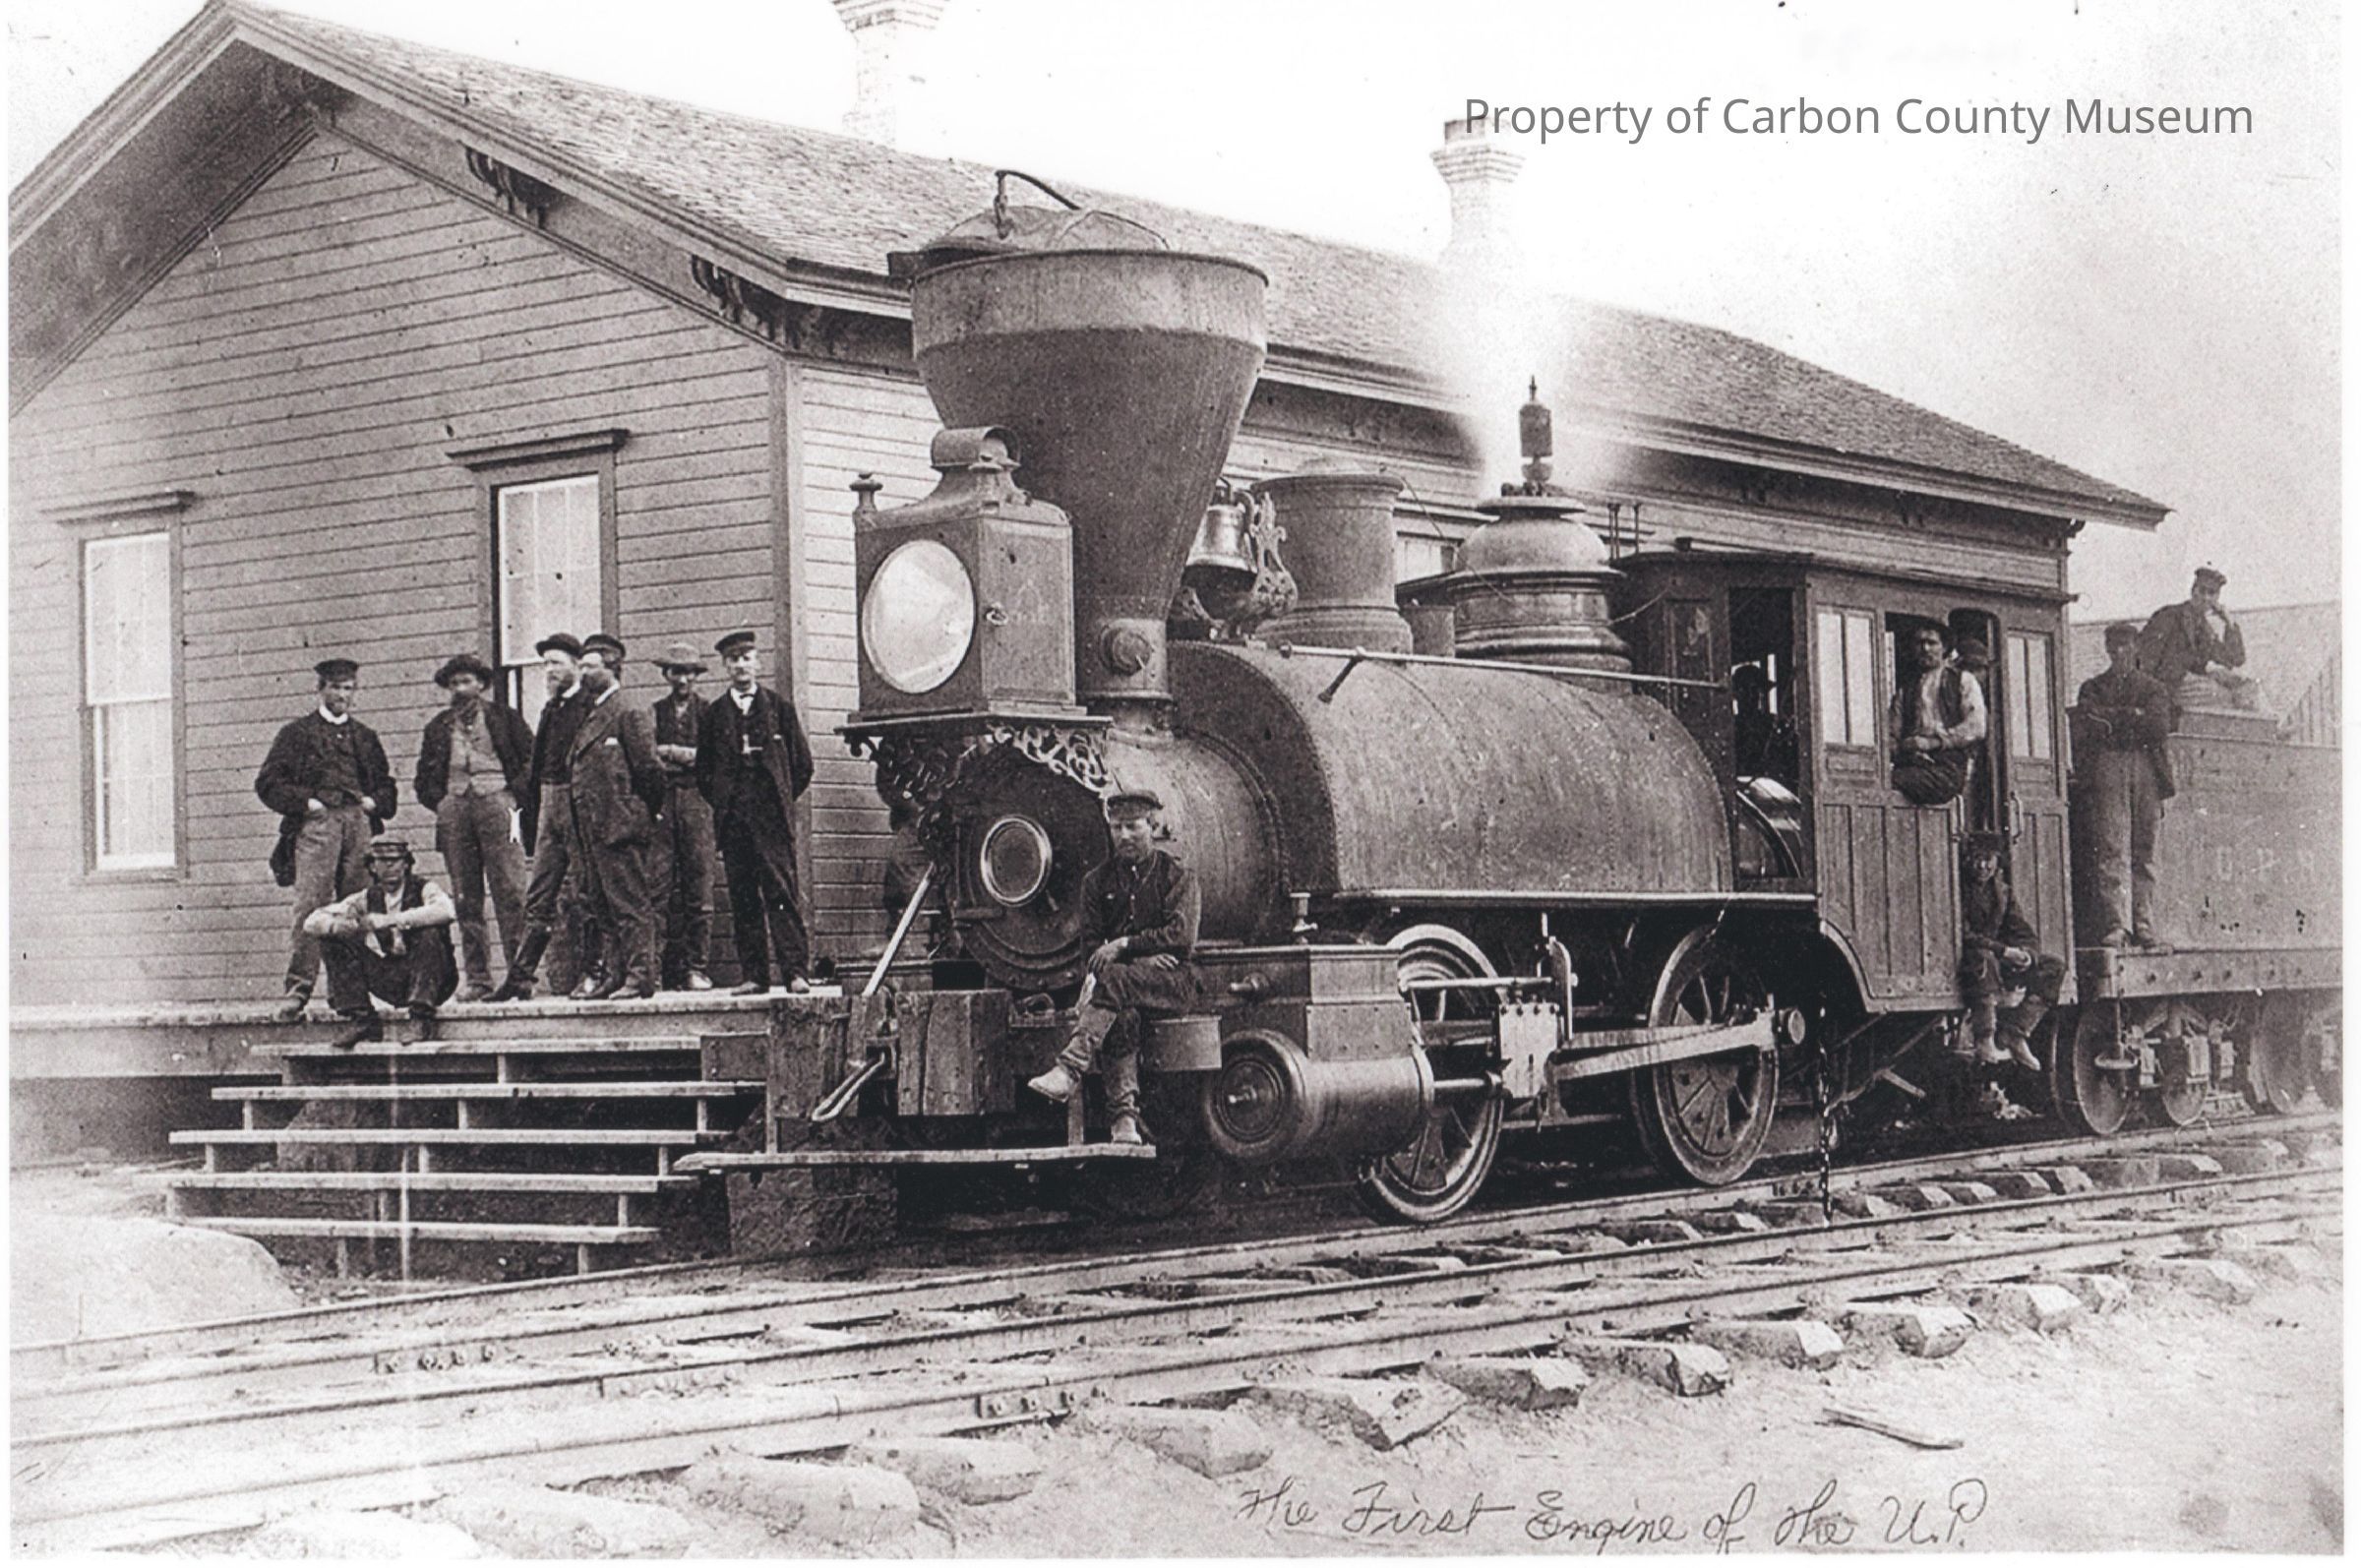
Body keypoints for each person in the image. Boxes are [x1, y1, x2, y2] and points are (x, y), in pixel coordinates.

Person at [1025, 787, 1200, 1146]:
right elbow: (1092, 951)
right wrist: (1141, 959)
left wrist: (1124, 945)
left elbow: (1181, 937)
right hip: (1120, 990)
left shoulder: (1178, 876)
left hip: (1173, 983)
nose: (1124, 835)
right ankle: (1124, 1122)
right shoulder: (1096, 882)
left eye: (1134, 826)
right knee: (1122, 1014)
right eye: (1117, 827)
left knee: (1116, 978)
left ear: (1153, 826)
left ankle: (1069, 1068)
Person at [257, 657, 396, 1020]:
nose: (342, 695)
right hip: (317, 826)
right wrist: (307, 803)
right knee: (311, 906)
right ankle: (298, 990)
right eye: (335, 687)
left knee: (354, 907)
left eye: (348, 688)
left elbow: (386, 786)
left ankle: (346, 994)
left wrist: (373, 802)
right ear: (320, 690)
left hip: (358, 827)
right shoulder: (297, 734)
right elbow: (269, 783)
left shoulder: (365, 737)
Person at [696, 630, 816, 995]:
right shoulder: (715, 715)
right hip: (734, 820)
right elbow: (704, 771)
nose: (740, 665)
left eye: (746, 658)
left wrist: (778, 798)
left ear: (757, 662)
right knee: (743, 896)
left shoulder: (780, 709)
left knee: (781, 893)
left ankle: (795, 972)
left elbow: (802, 766)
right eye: (733, 660)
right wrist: (727, 801)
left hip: (771, 819)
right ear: (725, 666)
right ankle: (754, 976)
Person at [413, 653, 533, 1000]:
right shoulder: (438, 726)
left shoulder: (505, 718)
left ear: (481, 684)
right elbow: (424, 777)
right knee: (466, 897)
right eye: (454, 684)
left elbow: (530, 762)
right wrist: (442, 802)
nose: (460, 689)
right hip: (455, 810)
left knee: (512, 890)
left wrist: (512, 795)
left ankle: (520, 976)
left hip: (502, 808)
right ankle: (478, 979)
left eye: (466, 681)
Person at [555, 634, 666, 999]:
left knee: (629, 903)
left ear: (612, 668)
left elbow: (650, 771)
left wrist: (638, 814)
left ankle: (640, 976)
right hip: (593, 828)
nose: (583, 673)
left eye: (590, 667)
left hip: (619, 826)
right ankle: (616, 976)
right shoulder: (594, 712)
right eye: (582, 667)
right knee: (602, 904)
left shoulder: (628, 710)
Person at [489, 633, 589, 1002]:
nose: (548, 670)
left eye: (556, 663)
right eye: (545, 663)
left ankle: (592, 973)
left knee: (586, 893)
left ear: (577, 666)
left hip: (577, 802)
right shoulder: (551, 709)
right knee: (539, 895)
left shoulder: (589, 706)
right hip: (549, 804)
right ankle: (521, 977)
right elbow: (537, 768)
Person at [2073, 622, 2179, 951]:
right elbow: (2089, 722)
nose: (2120, 652)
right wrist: (2133, 715)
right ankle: (2117, 925)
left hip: (2146, 766)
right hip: (2107, 764)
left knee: (2144, 848)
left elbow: (2157, 726)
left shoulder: (2153, 688)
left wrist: (2114, 719)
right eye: (2114, 646)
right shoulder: (2093, 687)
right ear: (2107, 650)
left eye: (2126, 645)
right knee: (2112, 846)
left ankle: (2144, 924)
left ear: (2136, 649)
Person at [301, 833, 458, 1049]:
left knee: (429, 933)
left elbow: (446, 911)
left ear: (406, 864)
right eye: (382, 861)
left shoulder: (424, 888)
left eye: (395, 861)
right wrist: (338, 926)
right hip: (395, 978)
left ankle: (421, 1019)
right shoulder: (368, 897)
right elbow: (312, 921)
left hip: (436, 980)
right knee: (333, 942)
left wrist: (391, 920)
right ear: (372, 867)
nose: (389, 867)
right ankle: (362, 1019)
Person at [1957, 831, 2066, 1071]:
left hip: (1997, 960)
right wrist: (2003, 951)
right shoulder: (1958, 889)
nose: (1982, 866)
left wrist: (2026, 954)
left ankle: (2016, 1034)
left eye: (1988, 859)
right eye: (1977, 858)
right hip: (1971, 961)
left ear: (1997, 861)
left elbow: (2022, 931)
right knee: (1983, 958)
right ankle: (1984, 1037)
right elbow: (1963, 934)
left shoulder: (2003, 892)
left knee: (2053, 967)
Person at [649, 641, 717, 992]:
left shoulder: (708, 713)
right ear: (666, 674)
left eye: (689, 673)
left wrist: (673, 752)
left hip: (697, 801)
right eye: (676, 672)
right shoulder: (654, 712)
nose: (683, 680)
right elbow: (648, 756)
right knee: (657, 888)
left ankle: (697, 968)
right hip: (662, 802)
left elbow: (711, 757)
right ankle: (653, 969)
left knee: (699, 888)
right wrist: (683, 756)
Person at [1888, 622, 1987, 807]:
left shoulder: (1962, 681)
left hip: (1946, 768)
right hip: (1914, 763)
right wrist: (1900, 746)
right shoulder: (1906, 690)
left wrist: (1934, 742)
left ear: (1944, 647)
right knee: (1882, 778)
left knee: (1890, 780)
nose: (1925, 648)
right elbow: (1892, 732)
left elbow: (1976, 727)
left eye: (1931, 643)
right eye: (1920, 643)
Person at [2139, 566, 2254, 705]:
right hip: (2169, 685)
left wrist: (2229, 623)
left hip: (2191, 682)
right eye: (2202, 591)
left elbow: (2235, 659)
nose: (2206, 598)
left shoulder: (2204, 628)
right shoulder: (2170, 615)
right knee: (2224, 695)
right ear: (2193, 591)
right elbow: (2146, 657)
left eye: (2211, 593)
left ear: (2217, 598)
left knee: (2245, 683)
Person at [1730, 664, 1798, 782]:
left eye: (1756, 690)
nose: (1751, 696)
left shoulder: (1773, 723)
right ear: (1736, 694)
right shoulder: (1730, 726)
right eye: (1744, 690)